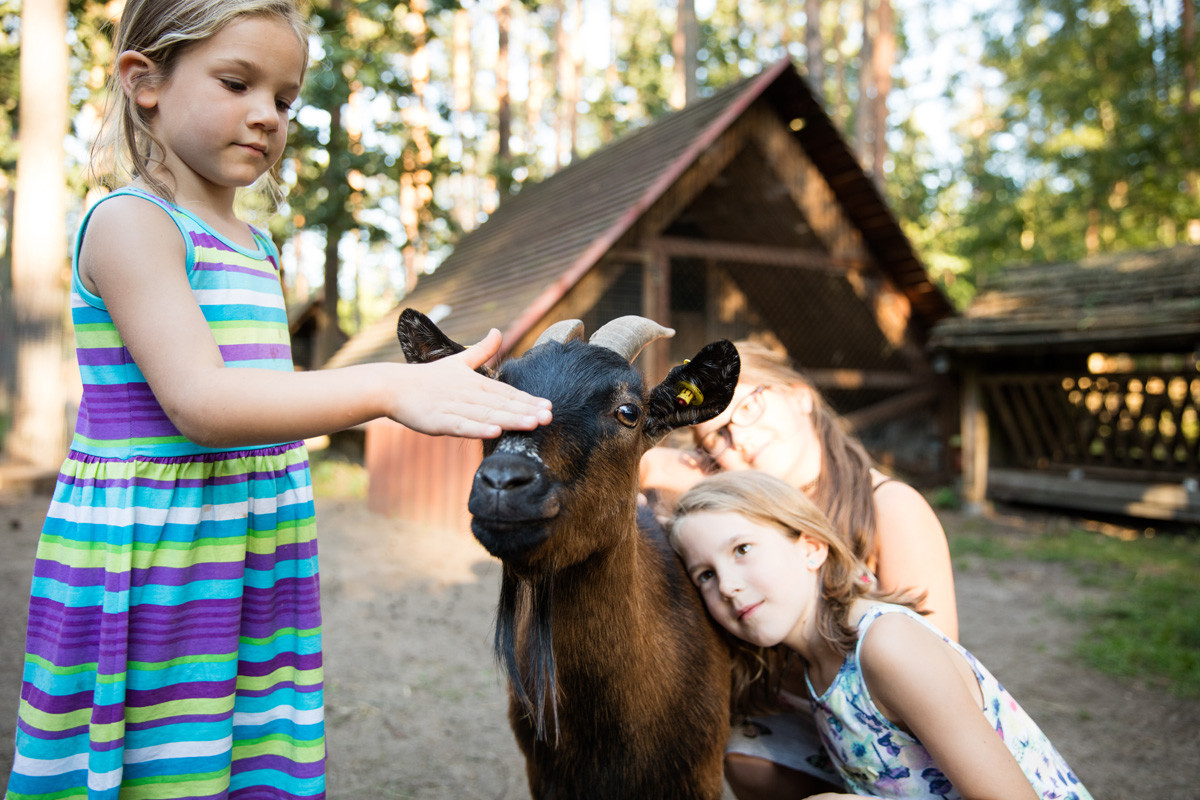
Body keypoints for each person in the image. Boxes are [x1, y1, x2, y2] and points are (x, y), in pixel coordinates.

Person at [5, 2, 551, 798]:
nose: (267, 115)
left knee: (238, 754)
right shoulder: (132, 223)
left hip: (247, 552)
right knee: (162, 763)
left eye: (285, 99)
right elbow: (201, 402)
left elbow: (266, 398)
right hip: (157, 560)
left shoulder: (256, 245)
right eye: (237, 83)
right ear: (144, 81)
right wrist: (388, 388)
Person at [640, 340, 957, 797]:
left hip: (902, 725)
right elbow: (635, 460)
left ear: (799, 394)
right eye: (717, 437)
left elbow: (939, 672)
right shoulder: (731, 501)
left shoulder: (890, 507)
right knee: (746, 753)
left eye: (748, 406)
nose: (740, 438)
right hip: (820, 715)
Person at [670, 471, 1093, 800]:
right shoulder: (811, 665)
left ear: (811, 548)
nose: (727, 586)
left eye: (742, 550)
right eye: (705, 575)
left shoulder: (887, 645)